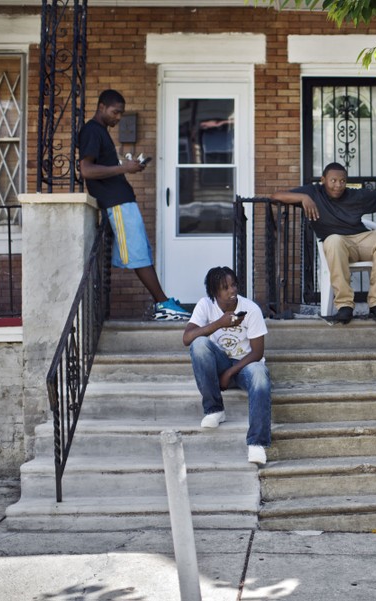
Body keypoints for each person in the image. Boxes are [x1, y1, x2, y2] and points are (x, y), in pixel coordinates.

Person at [79, 89, 190, 321]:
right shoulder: (92, 131)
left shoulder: (101, 132)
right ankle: (162, 304)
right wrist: (124, 168)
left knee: (143, 252)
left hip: (123, 201)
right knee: (139, 254)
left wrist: (126, 164)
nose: (118, 117)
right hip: (116, 203)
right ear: (101, 107)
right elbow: (86, 170)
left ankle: (163, 302)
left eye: (121, 113)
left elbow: (103, 166)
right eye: (115, 112)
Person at [270, 163, 376, 323]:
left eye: (342, 181)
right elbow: (275, 196)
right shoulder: (313, 192)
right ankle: (344, 306)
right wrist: (303, 197)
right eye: (333, 180)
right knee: (333, 240)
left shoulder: (356, 196)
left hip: (362, 240)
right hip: (339, 245)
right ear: (323, 180)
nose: (338, 185)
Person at [182, 266, 272, 465]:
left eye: (233, 285)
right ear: (215, 292)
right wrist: (219, 323)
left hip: (245, 366)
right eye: (225, 287)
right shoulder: (205, 305)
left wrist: (230, 372)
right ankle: (214, 409)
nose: (232, 291)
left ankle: (257, 442)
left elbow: (258, 353)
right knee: (199, 344)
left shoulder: (251, 309)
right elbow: (187, 338)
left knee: (260, 373)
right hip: (220, 362)